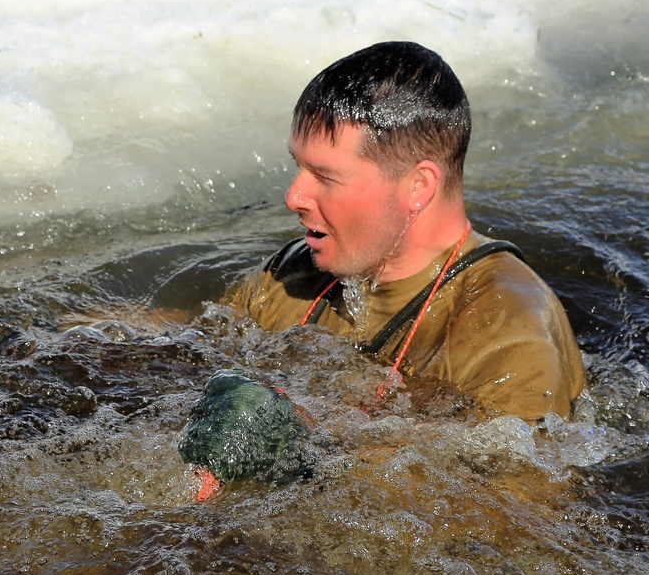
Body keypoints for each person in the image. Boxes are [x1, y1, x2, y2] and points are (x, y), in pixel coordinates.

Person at [231, 41, 585, 422]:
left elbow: (520, 482)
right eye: (298, 166)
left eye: (324, 176)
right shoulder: (291, 276)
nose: (293, 196)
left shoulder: (508, 336)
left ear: (418, 185)